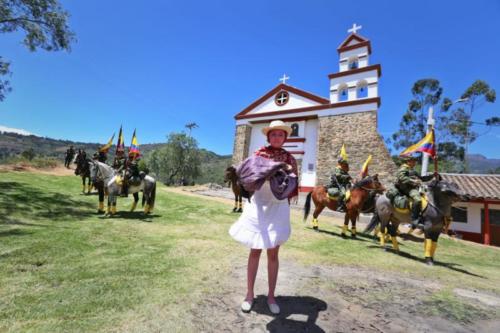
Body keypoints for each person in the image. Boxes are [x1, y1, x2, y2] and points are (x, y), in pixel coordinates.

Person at [229, 120, 298, 316]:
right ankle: (249, 295)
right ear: (269, 136)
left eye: (281, 134)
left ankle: (270, 296)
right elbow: (248, 174)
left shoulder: (289, 158)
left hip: (278, 205)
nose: (277, 137)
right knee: (255, 251)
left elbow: (293, 182)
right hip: (259, 204)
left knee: (273, 253)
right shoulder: (258, 154)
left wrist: (284, 174)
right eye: (274, 134)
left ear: (285, 137)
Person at [395, 155, 435, 229]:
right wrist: (413, 181)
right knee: (418, 199)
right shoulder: (404, 168)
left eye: (415, 161)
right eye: (413, 161)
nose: (415, 163)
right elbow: (402, 178)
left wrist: (432, 175)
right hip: (406, 188)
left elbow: (422, 178)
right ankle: (414, 219)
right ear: (408, 161)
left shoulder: (413, 170)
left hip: (414, 188)